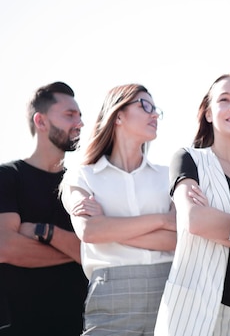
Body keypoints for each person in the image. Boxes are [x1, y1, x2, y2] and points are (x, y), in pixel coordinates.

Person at [155, 71, 230, 336]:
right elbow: (194, 220)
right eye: (224, 99)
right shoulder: (189, 159)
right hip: (199, 310)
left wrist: (218, 222)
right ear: (208, 112)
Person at [61, 83, 176, 336]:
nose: (154, 114)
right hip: (111, 291)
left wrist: (109, 227)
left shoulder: (168, 175)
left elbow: (177, 238)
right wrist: (161, 219)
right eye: (145, 105)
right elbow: (90, 231)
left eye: (155, 109)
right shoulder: (81, 176)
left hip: (169, 289)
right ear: (118, 115)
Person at [0, 81, 87, 336]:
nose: (79, 123)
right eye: (69, 115)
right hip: (17, 327)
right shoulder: (8, 177)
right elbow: (6, 248)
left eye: (80, 116)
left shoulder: (81, 185)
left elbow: (97, 253)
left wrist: (46, 233)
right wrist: (78, 253)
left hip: (77, 327)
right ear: (41, 121)